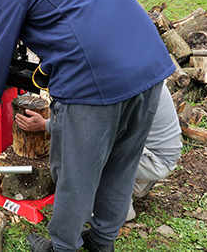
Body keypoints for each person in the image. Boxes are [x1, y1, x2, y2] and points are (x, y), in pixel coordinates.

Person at [0, 0, 176, 252]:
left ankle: (62, 247)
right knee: (121, 167)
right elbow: (83, 4)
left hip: (94, 82)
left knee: (75, 175)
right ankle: (101, 243)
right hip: (148, 68)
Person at [15, 85, 182, 221]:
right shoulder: (140, 73)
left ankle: (121, 210)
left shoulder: (118, 85)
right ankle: (139, 182)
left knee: (91, 149)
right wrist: (47, 123)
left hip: (155, 159)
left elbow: (87, 127)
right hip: (161, 152)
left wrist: (46, 125)